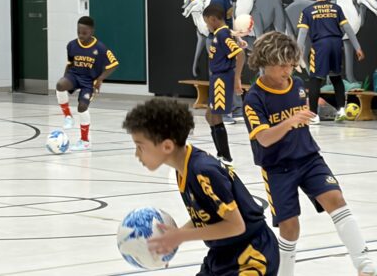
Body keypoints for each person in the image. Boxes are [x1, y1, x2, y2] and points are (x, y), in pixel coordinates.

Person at [243, 31, 375, 276]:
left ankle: (364, 265)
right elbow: (264, 137)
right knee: (290, 227)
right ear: (265, 62)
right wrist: (290, 121)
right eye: (282, 66)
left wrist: (300, 119)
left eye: (291, 65)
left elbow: (300, 119)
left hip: (309, 158)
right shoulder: (254, 98)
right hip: (277, 168)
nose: (288, 71)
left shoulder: (299, 86)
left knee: (336, 199)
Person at [122, 98, 279, 275]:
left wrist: (181, 236)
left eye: (139, 147)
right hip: (222, 254)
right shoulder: (184, 167)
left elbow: (236, 226)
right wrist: (175, 236)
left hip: (251, 256)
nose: (136, 154)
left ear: (167, 146)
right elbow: (208, 216)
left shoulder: (203, 171)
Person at [297, 0, 365, 124]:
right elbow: (348, 28)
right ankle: (341, 111)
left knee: (315, 80)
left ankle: (314, 115)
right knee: (336, 77)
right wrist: (357, 47)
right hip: (336, 44)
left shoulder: (307, 11)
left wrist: (297, 53)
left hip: (320, 46)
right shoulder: (336, 8)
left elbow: (302, 34)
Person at [56, 16, 119, 150]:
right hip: (74, 75)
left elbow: (114, 64)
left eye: (84, 33)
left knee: (82, 107)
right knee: (60, 85)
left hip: (88, 82)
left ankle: (84, 141)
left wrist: (100, 79)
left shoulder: (100, 48)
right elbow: (70, 63)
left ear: (91, 32)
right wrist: (65, 77)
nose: (80, 35)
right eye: (78, 32)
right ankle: (67, 116)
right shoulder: (72, 45)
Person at [202, 4, 245, 165]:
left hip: (222, 79)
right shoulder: (221, 34)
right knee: (209, 115)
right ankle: (221, 153)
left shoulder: (222, 35)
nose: (207, 26)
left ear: (213, 19)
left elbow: (240, 55)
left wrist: (237, 79)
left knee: (216, 116)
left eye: (207, 22)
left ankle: (225, 157)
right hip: (216, 78)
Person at [209, 0, 245, 125]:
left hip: (227, 38)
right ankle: (223, 113)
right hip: (219, 40)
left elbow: (230, 19)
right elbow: (216, 23)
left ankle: (234, 109)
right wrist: (232, 36)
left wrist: (238, 38)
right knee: (221, 76)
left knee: (230, 73)